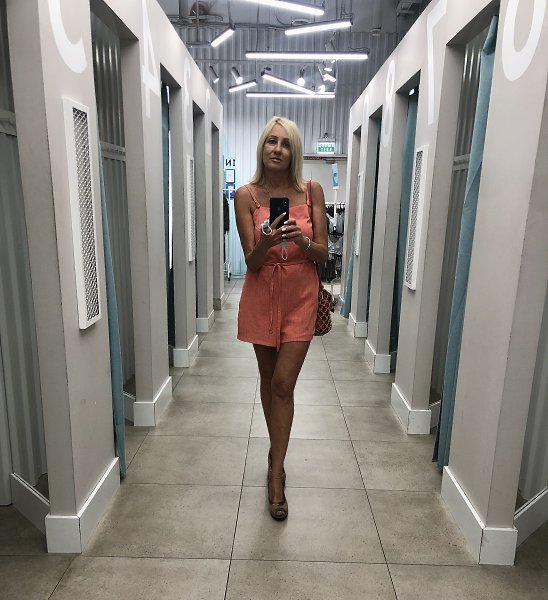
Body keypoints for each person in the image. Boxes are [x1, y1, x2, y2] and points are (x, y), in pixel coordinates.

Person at [234, 116, 328, 521]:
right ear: (262, 148)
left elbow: (323, 252)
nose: (277, 149)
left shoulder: (311, 191)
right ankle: (277, 451)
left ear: (295, 152)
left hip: (301, 294)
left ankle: (276, 473)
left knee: (283, 384)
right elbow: (251, 262)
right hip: (262, 294)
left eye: (286, 143)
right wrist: (267, 241)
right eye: (271, 141)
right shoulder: (245, 195)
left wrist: (300, 239)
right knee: (268, 380)